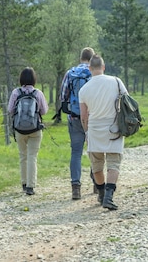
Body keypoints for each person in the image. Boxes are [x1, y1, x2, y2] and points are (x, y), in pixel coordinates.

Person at [78, 55, 127, 210]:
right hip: (114, 128)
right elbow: (126, 102)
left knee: (97, 164)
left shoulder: (84, 89)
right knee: (114, 162)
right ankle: (108, 196)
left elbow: (83, 116)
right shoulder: (116, 81)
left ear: (90, 69)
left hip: (94, 129)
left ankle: (100, 193)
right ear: (103, 67)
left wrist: (86, 132)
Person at [60, 47, 95, 200]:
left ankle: (76, 188)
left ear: (81, 58)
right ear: (92, 59)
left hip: (74, 117)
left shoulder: (70, 73)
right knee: (95, 150)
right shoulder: (95, 73)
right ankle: (97, 182)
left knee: (76, 152)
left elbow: (63, 96)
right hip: (93, 118)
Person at [7, 67, 49, 196]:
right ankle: (31, 186)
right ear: (34, 79)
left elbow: (10, 110)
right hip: (35, 129)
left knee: (22, 156)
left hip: (19, 129)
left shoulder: (16, 92)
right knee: (32, 156)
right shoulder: (38, 93)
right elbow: (44, 111)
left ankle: (24, 183)